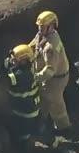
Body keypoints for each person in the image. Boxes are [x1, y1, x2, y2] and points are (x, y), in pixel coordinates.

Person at [0, 44, 41, 153]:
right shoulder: (25, 66)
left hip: (26, 114)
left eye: (15, 60)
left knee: (22, 136)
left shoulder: (22, 75)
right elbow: (7, 64)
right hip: (23, 109)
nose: (12, 61)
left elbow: (2, 79)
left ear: (24, 61)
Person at [29, 11, 72, 139]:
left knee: (56, 104)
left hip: (55, 80)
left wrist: (35, 78)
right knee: (44, 100)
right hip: (48, 78)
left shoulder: (51, 47)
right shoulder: (42, 35)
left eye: (42, 26)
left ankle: (64, 128)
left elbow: (50, 70)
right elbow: (32, 46)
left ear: (51, 26)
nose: (39, 29)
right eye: (39, 26)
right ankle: (43, 120)